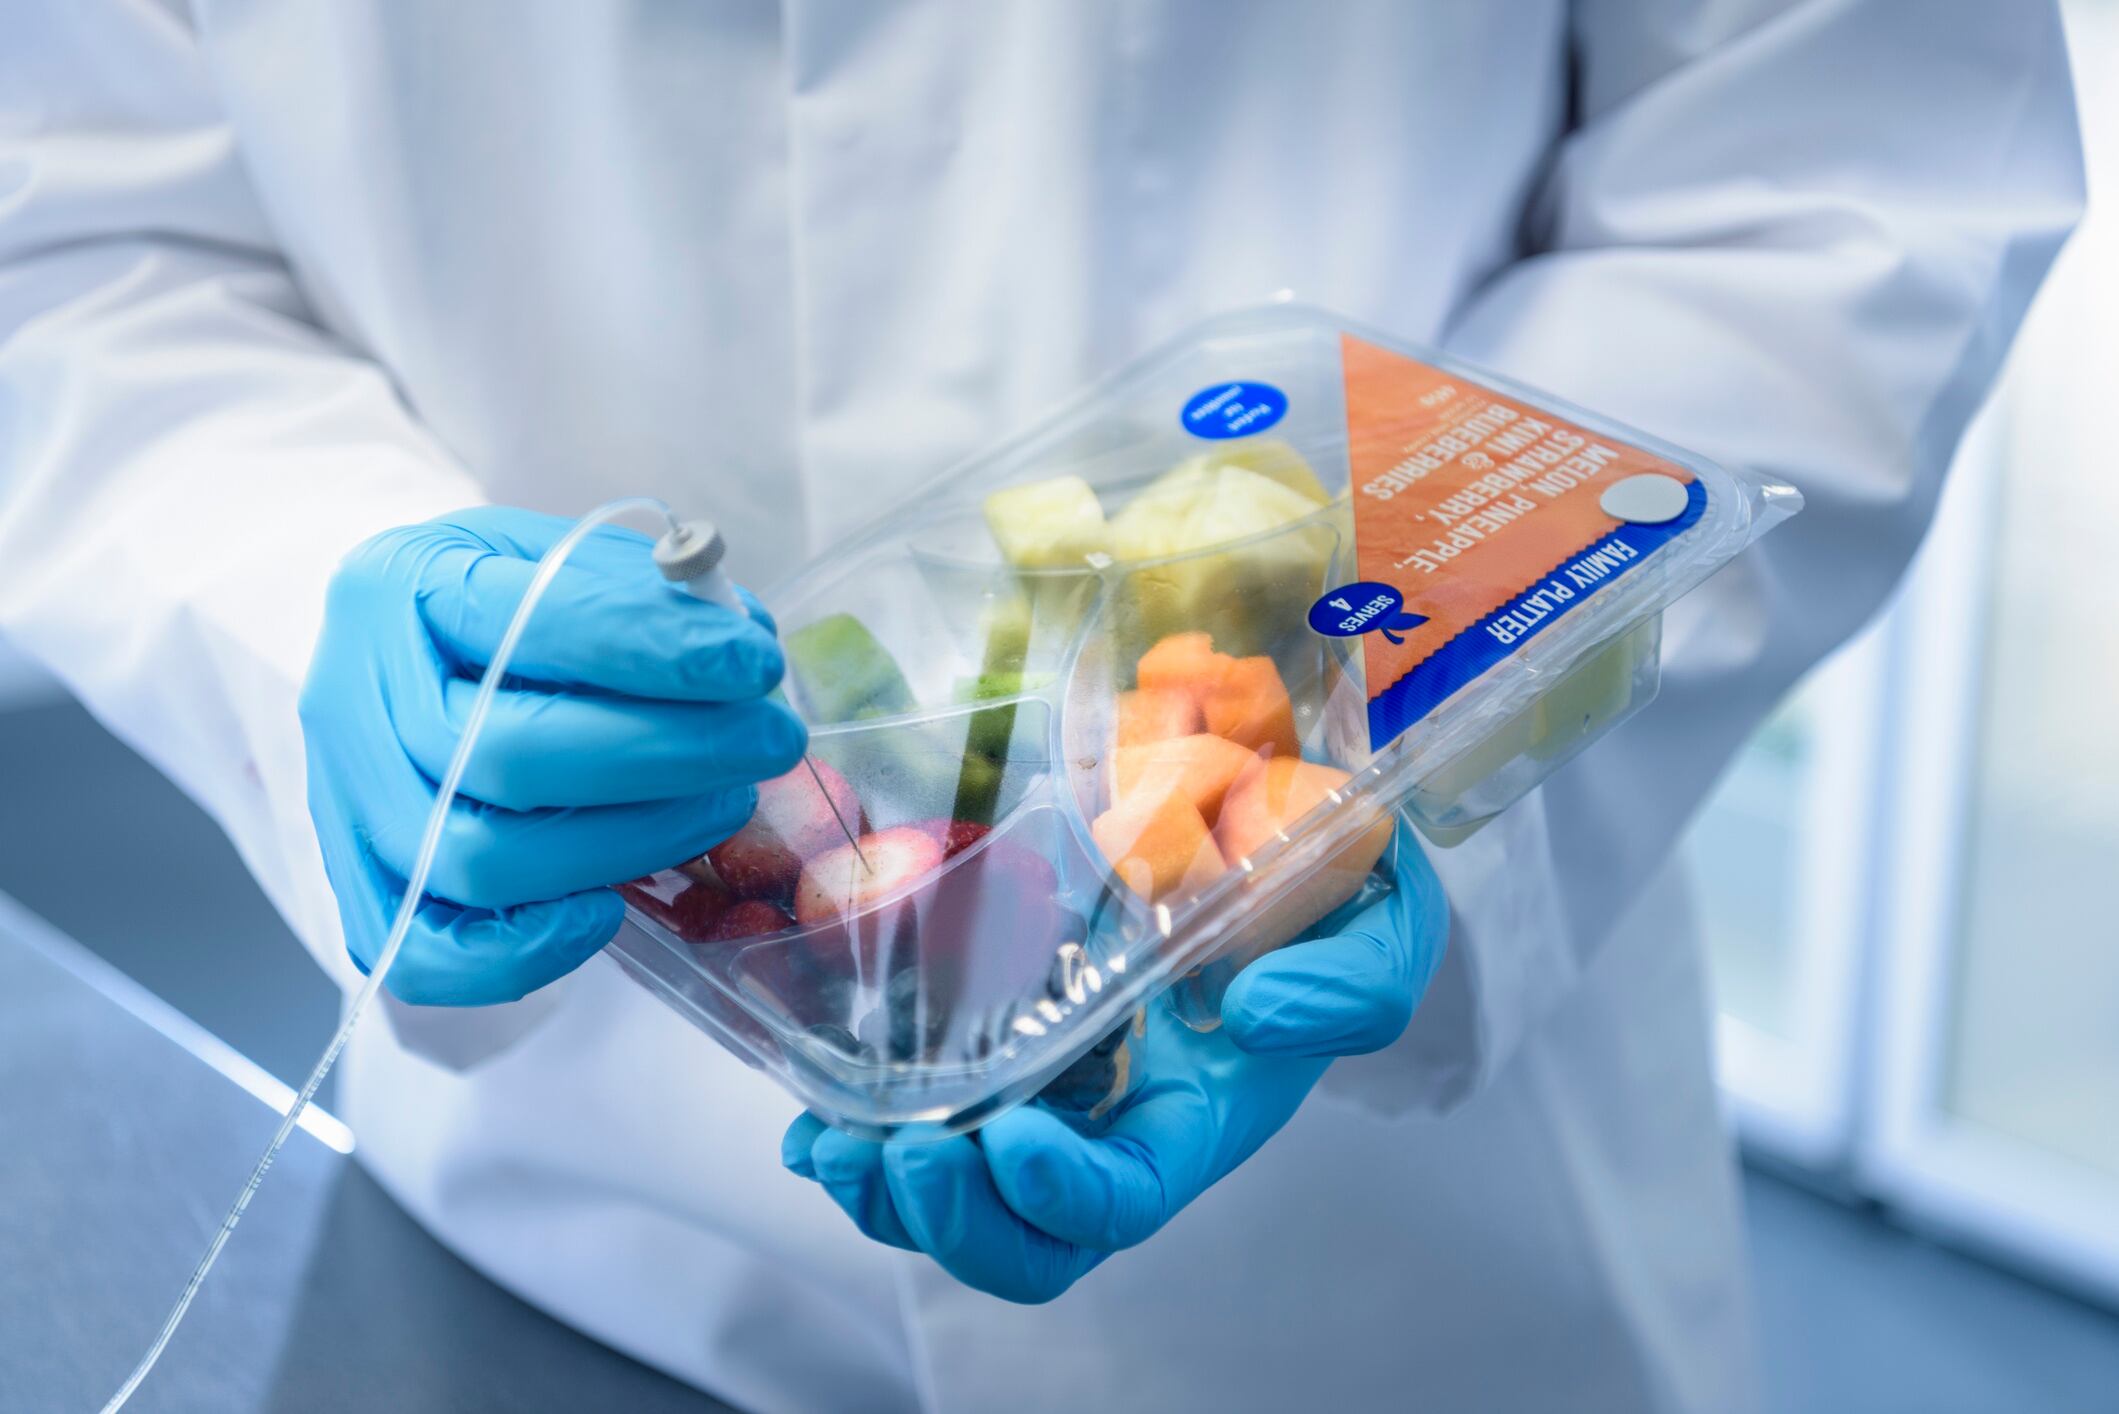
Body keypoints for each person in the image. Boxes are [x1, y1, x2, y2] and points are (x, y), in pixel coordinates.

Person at [0, 4, 2082, 1411]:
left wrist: (1419, 744)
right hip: (568, 1226)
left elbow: (1830, 181)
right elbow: (78, 223)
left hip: (1396, 1280)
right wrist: (298, 606)